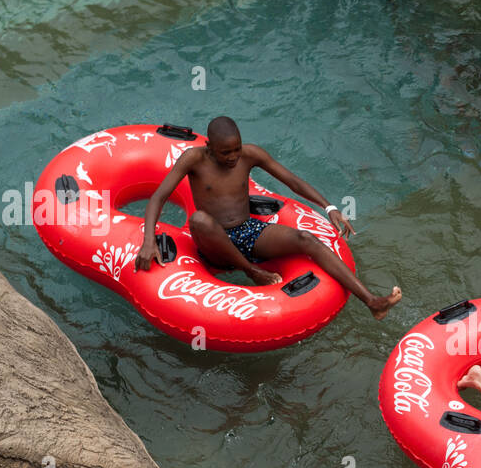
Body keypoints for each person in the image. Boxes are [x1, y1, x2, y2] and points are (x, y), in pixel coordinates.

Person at [135, 116, 401, 320]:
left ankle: (371, 302)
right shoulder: (193, 159)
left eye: (236, 150)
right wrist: (149, 241)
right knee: (200, 220)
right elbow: (158, 197)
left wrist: (329, 207)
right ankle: (252, 272)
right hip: (213, 242)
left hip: (247, 230)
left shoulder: (250, 154)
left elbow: (292, 181)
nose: (232, 157)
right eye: (225, 152)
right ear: (209, 147)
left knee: (305, 238)